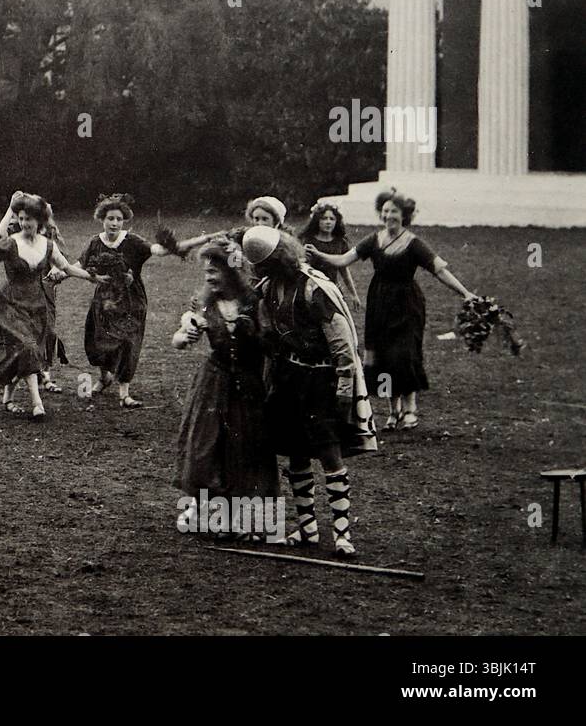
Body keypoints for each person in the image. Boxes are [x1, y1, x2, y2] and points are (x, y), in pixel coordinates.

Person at [243, 226, 377, 556]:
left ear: (280, 259)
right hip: (289, 379)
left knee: (330, 454)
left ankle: (342, 534)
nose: (262, 272)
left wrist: (345, 390)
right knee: (296, 454)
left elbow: (343, 344)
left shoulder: (314, 289)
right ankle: (308, 531)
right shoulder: (270, 288)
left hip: (321, 381)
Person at [305, 189, 477, 431]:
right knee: (383, 356)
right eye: (385, 211)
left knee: (404, 355)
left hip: (407, 304)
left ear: (404, 214)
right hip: (379, 303)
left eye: (394, 211)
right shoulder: (374, 240)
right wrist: (317, 253)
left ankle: (410, 410)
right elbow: (344, 260)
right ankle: (393, 411)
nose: (389, 216)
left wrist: (465, 293)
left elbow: (439, 270)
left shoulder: (414, 243)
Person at [0, 193, 105, 421]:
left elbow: (67, 268)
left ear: (39, 220)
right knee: (27, 347)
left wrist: (92, 277)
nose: (24, 223)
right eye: (20, 218)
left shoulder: (48, 245)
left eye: (29, 218)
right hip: (8, 305)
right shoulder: (10, 243)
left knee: (27, 352)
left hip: (37, 304)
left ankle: (8, 398)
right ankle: (37, 403)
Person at [171, 241, 279, 535]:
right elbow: (177, 340)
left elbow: (272, 344)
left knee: (244, 446)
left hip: (247, 384)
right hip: (213, 383)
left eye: (215, 272)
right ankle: (202, 508)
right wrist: (188, 334)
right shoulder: (204, 303)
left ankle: (240, 517)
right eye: (206, 273)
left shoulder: (254, 302)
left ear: (232, 271)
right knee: (207, 445)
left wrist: (255, 333)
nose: (209, 279)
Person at [73, 193, 154, 408]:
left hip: (131, 299)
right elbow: (80, 264)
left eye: (119, 219)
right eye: (110, 218)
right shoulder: (95, 242)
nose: (115, 223)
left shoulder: (133, 241)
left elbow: (154, 250)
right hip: (104, 299)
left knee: (128, 341)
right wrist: (59, 272)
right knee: (98, 341)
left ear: (124, 220)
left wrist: (174, 246)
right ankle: (104, 377)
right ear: (102, 219)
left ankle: (124, 392)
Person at [0, 192, 68, 394]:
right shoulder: (16, 230)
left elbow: (64, 259)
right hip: (21, 291)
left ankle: (45, 374)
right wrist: (11, 207)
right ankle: (23, 375)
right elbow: (1, 234)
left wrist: (58, 270)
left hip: (46, 289)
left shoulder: (50, 232)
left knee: (49, 332)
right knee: (25, 336)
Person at [154, 195, 293, 258]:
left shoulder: (286, 241)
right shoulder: (246, 235)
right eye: (256, 219)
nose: (259, 224)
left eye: (265, 219)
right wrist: (179, 246)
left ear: (276, 222)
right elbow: (213, 237)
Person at [298, 201, 361, 308]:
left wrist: (353, 294)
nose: (328, 222)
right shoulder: (309, 241)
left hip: (332, 289)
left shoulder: (340, 242)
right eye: (324, 218)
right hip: (311, 288)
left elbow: (343, 269)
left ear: (337, 221)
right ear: (317, 220)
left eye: (332, 219)